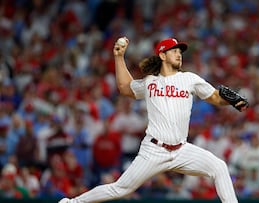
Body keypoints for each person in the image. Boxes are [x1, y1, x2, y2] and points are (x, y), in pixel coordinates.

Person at [59, 37, 248, 203]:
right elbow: (125, 88)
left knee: (219, 167)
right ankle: (72, 202)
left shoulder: (190, 79)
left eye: (180, 51)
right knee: (120, 189)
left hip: (182, 149)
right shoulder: (150, 82)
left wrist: (232, 101)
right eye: (174, 50)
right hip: (154, 150)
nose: (179, 54)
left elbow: (215, 97)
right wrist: (118, 57)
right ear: (163, 55)